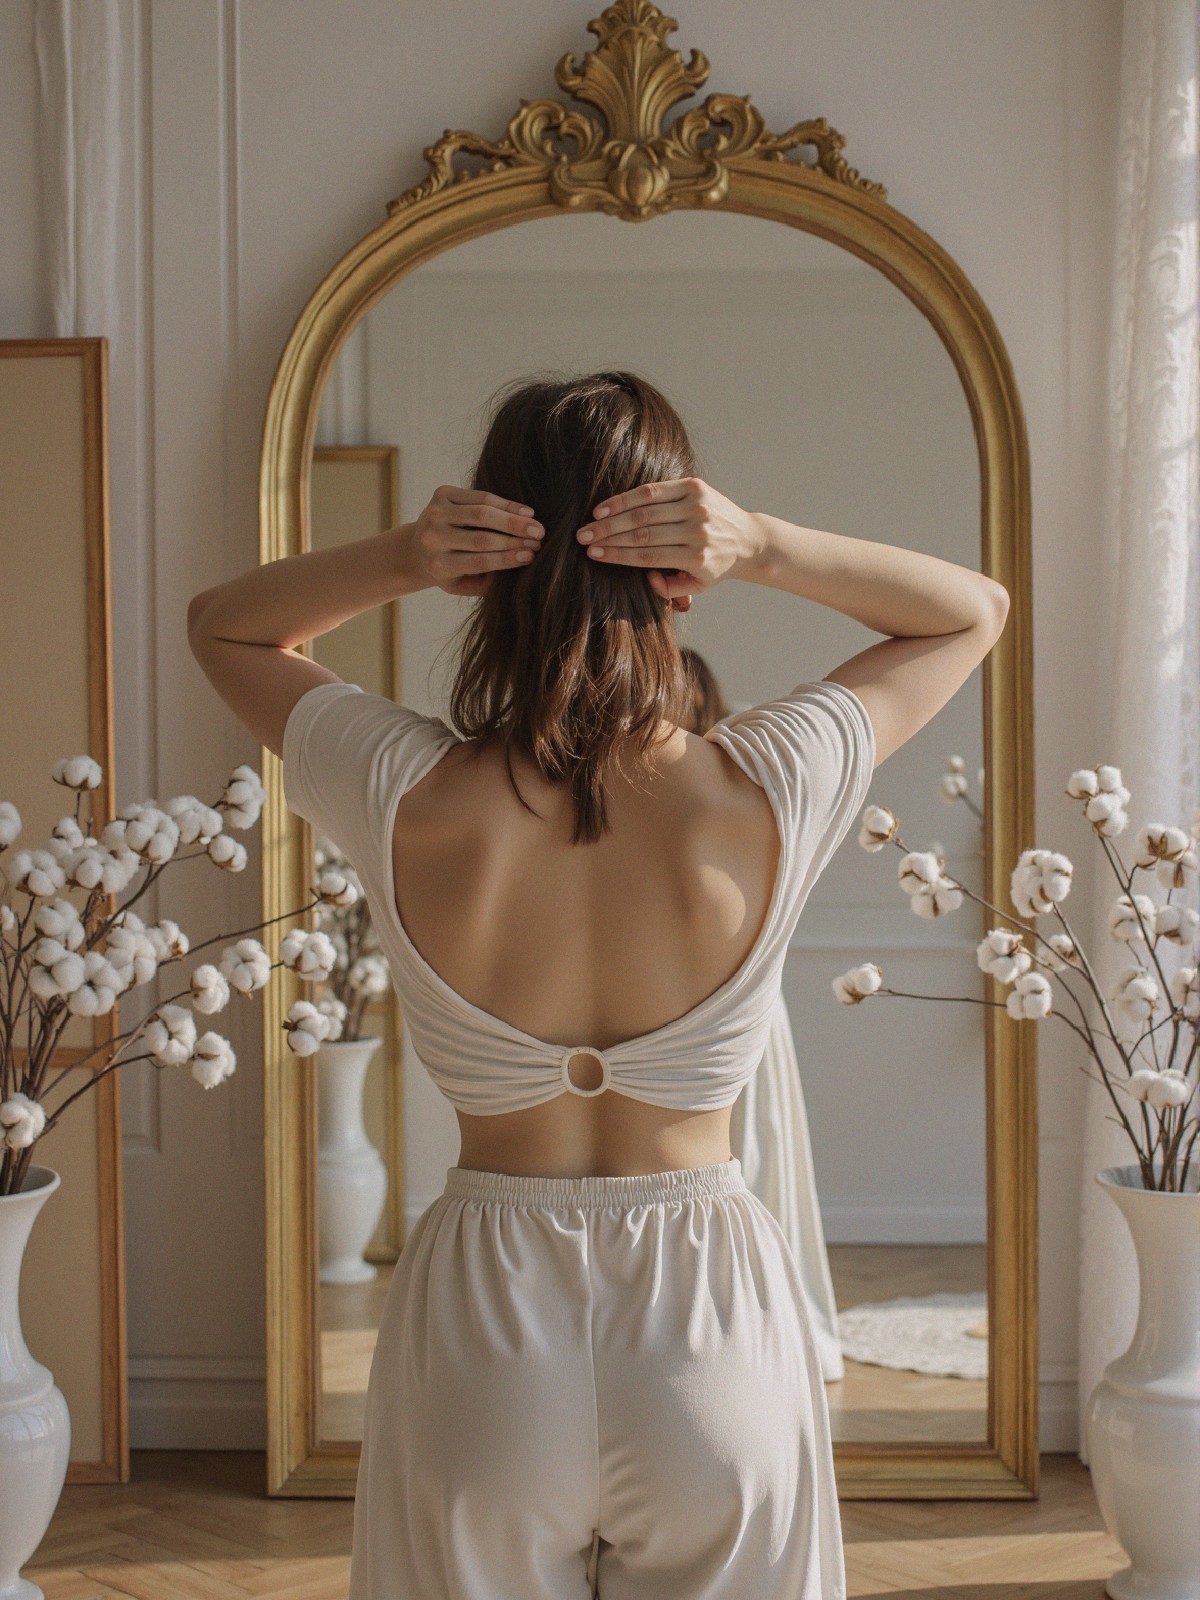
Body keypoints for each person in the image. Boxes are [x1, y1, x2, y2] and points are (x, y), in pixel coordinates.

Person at [189, 370, 1007, 1599]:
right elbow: (970, 610)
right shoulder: (769, 780)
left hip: (482, 1315)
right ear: (680, 557)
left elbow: (225, 625)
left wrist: (411, 554)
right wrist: (766, 544)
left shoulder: (404, 789)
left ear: (489, 556)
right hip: (708, 1322)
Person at [681, 647, 845, 1384]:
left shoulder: (740, 775)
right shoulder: (739, 785)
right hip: (720, 999)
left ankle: (760, 1320)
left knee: (753, 1153)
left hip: (734, 1006)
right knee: (745, 1152)